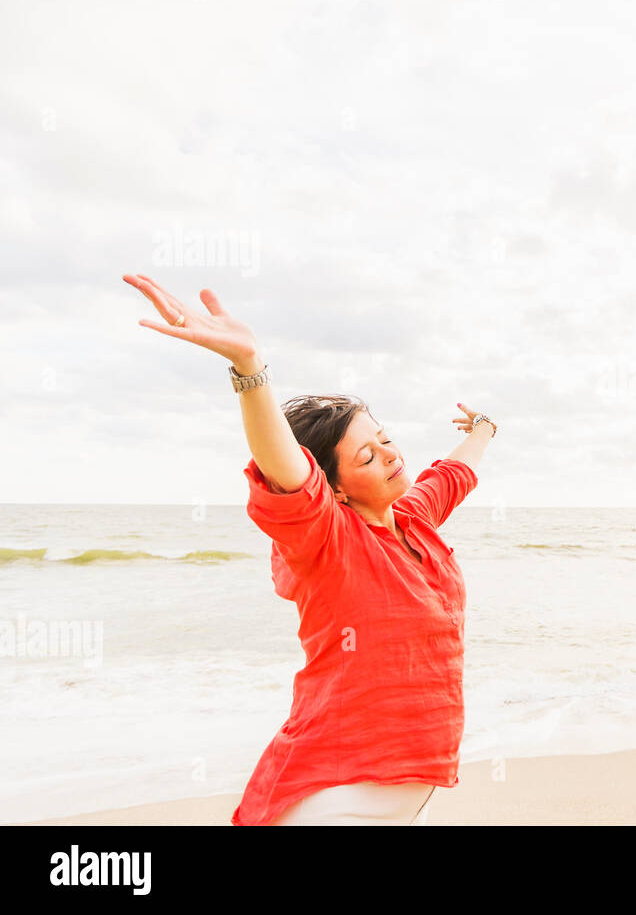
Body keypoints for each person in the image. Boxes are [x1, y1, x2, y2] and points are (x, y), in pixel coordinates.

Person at [122, 273, 497, 825]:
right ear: (337, 486)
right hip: (334, 792)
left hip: (402, 789)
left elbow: (455, 472)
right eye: (366, 457)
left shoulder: (414, 519)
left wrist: (486, 426)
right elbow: (289, 472)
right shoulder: (328, 538)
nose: (389, 456)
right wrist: (250, 371)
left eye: (385, 439)